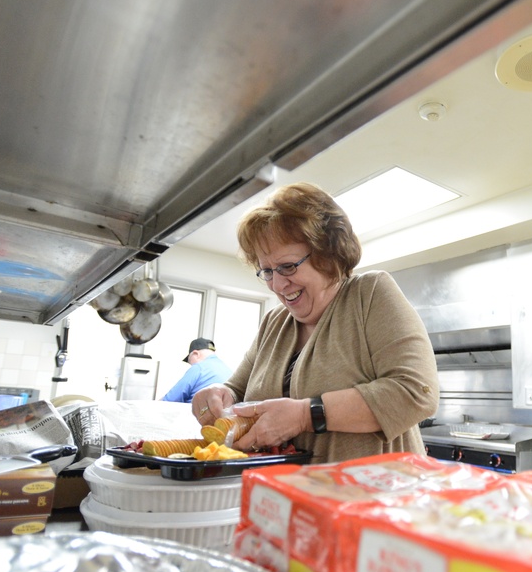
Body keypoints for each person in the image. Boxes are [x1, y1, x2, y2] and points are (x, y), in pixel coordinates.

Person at [191, 182, 439, 464]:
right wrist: (218, 396)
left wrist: (304, 416)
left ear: (327, 255)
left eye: (287, 266)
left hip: (374, 497)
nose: (278, 284)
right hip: (285, 499)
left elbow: (416, 392)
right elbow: (237, 391)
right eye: (267, 271)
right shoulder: (274, 322)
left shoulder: (369, 294)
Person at [160, 338, 233, 403]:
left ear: (196, 354)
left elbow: (169, 400)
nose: (190, 364)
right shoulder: (228, 370)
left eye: (189, 361)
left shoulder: (199, 368)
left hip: (199, 416)